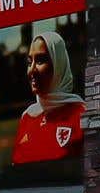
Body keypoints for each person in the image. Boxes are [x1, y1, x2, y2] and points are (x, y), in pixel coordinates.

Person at [12, 30, 85, 166]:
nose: (32, 70)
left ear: (58, 65)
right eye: (29, 62)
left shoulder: (81, 115)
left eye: (40, 61)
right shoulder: (27, 117)